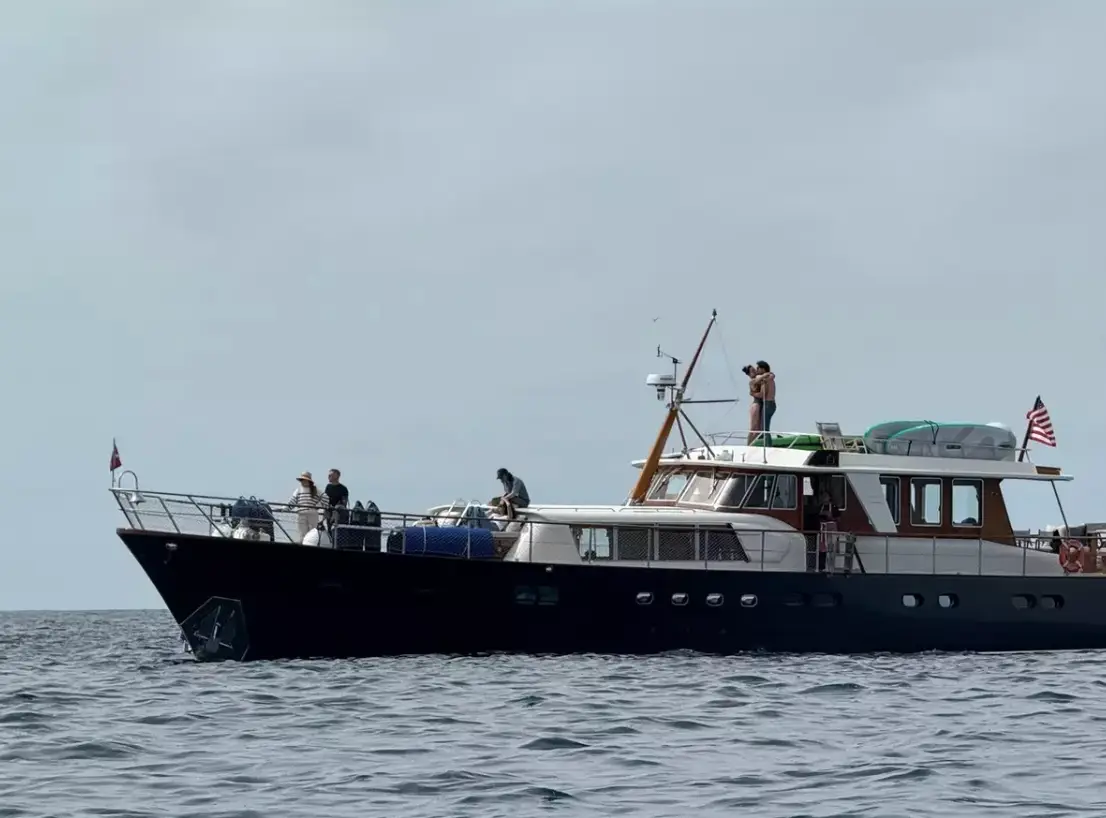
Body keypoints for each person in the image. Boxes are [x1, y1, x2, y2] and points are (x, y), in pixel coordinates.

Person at [287, 471, 325, 543]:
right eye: (301, 480)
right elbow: (292, 501)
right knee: (302, 533)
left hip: (312, 513)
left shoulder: (316, 490)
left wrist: (317, 506)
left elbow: (325, 498)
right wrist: (285, 508)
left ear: (308, 481)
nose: (302, 482)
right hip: (301, 513)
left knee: (313, 533)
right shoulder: (298, 490)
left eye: (303, 480)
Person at [750, 360, 776, 445]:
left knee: (765, 429)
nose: (757, 370)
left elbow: (762, 394)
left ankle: (768, 446)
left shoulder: (765, 380)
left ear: (763, 369)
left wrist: (753, 393)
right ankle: (765, 444)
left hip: (767, 403)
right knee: (764, 427)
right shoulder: (769, 377)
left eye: (758, 368)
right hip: (771, 404)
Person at [323, 468, 349, 533]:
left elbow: (344, 503)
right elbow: (325, 499)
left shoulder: (343, 489)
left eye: (330, 475)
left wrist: (336, 508)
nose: (328, 477)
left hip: (339, 514)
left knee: (338, 531)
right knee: (329, 530)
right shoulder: (328, 487)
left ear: (337, 476)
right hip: (329, 512)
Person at [742, 364, 762, 444]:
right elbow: (753, 392)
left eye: (755, 370)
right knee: (753, 428)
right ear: (749, 374)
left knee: (758, 429)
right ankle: (749, 445)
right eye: (753, 371)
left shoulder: (758, 379)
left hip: (760, 405)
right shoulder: (753, 381)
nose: (755, 371)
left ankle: (755, 444)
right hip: (756, 405)